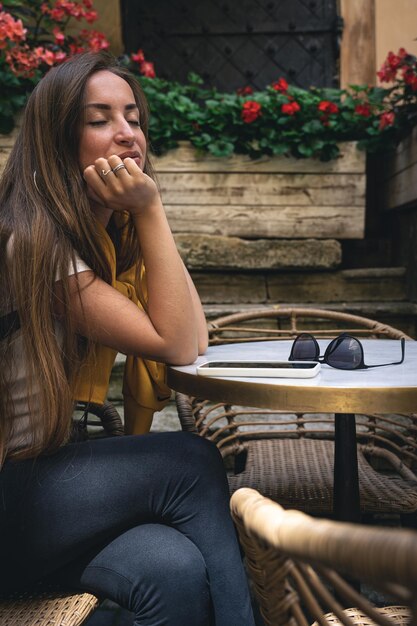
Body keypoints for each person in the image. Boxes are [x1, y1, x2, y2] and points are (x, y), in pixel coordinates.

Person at [0, 51, 255, 625]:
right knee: (189, 460)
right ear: (56, 140)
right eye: (100, 119)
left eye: (134, 118)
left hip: (46, 484)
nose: (127, 135)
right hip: (13, 490)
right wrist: (150, 208)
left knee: (172, 570)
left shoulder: (101, 243)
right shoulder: (31, 243)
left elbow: (193, 333)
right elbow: (177, 346)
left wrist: (146, 217)